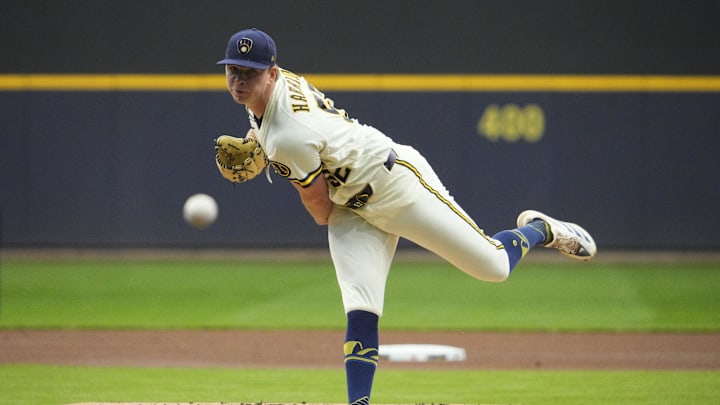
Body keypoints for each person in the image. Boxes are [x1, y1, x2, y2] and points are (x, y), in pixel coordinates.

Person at [216, 28, 597, 405]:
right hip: (353, 201)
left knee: (493, 266)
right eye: (233, 70)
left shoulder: (287, 136)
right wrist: (259, 145)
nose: (239, 81)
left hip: (396, 185)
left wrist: (272, 154)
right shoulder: (273, 101)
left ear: (272, 73)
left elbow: (317, 207)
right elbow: (281, 134)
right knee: (360, 306)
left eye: (249, 72)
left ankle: (541, 229)